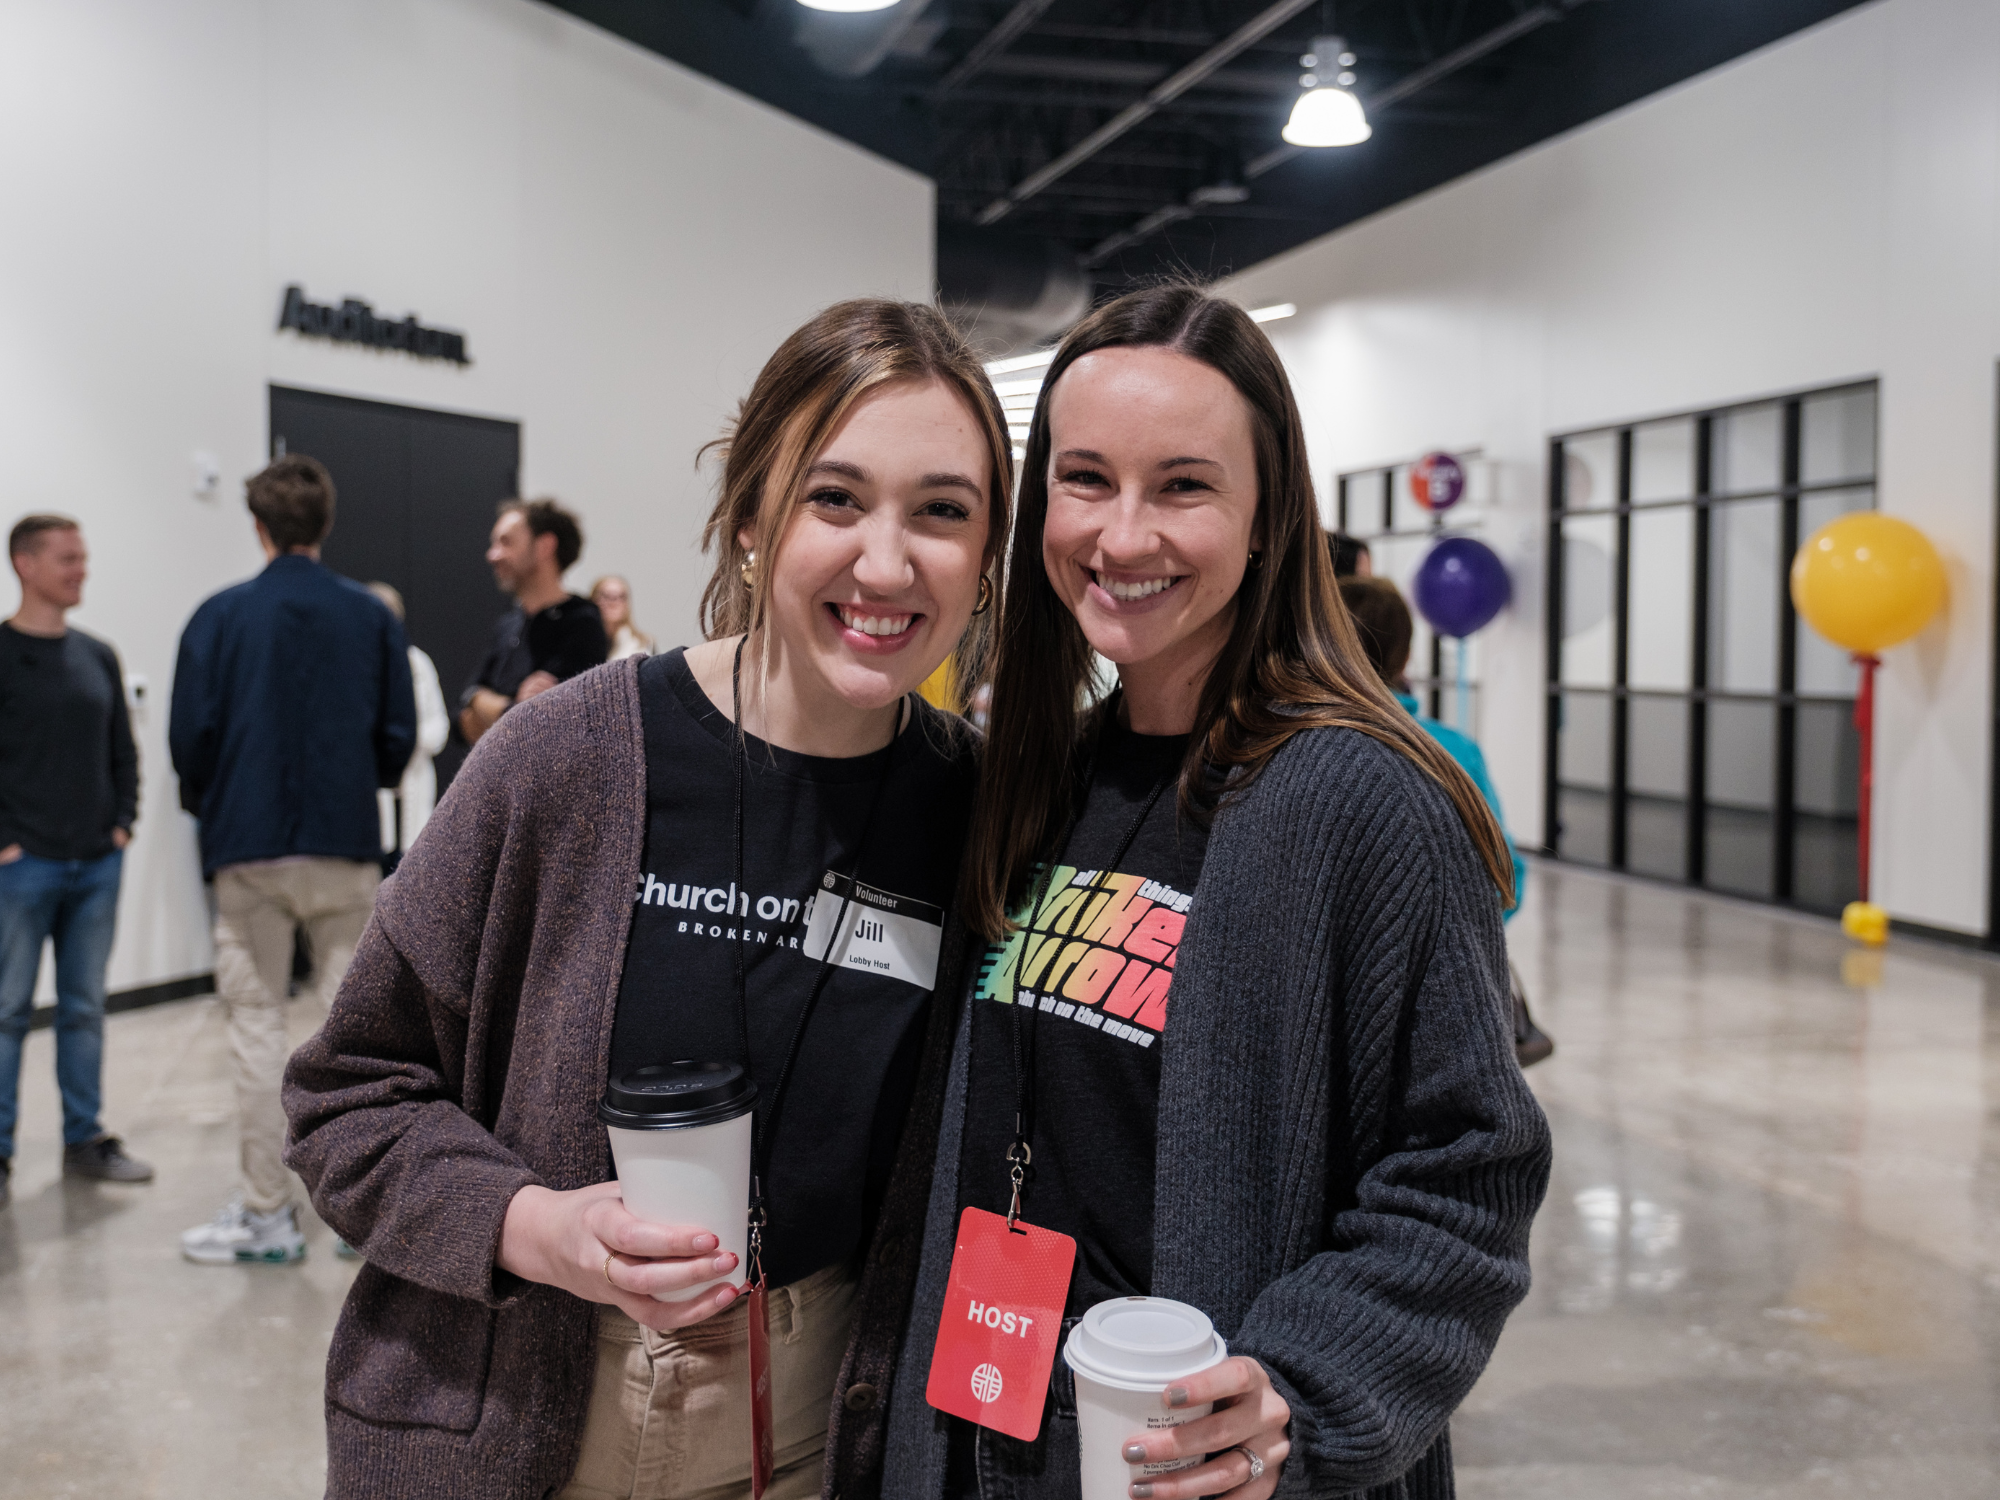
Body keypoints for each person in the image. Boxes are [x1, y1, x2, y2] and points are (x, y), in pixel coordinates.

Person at [283, 298, 1011, 1500]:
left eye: (941, 511)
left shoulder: (980, 809)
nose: (886, 562)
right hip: (523, 1401)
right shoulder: (562, 762)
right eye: (834, 499)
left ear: (985, 557)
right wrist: (535, 1227)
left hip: (826, 1420)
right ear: (748, 521)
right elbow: (343, 1099)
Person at [865, 285, 1551, 1500]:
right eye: (1084, 479)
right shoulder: (1042, 780)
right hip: (1004, 1431)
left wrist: (1304, 1384)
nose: (1122, 537)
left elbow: (1464, 1169)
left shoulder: (1363, 800)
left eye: (1181, 485)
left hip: (1205, 1461)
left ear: (1264, 512)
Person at [169, 455, 416, 1265]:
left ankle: (269, 1215)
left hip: (249, 846)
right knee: (359, 1037)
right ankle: (360, 1216)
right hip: (345, 844)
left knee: (255, 1027)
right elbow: (396, 737)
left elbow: (190, 741)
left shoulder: (217, 616)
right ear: (325, 523)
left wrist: (220, 805)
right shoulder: (371, 617)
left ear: (259, 526)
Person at [1339, 574, 1553, 1066]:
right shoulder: (1452, 750)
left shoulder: (1279, 744)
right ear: (1405, 655)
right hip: (1441, 999)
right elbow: (1505, 876)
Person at [0, 514, 151, 1211]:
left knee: (84, 1008)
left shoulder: (98, 653)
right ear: (25, 564)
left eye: (84, 558)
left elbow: (123, 751)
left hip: (95, 864)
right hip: (21, 868)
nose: (80, 570)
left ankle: (84, 1138)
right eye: (67, 558)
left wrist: (122, 824)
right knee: (6, 1011)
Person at [459, 498, 608, 745]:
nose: (492, 555)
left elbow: (544, 725)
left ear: (545, 546)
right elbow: (461, 718)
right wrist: (493, 703)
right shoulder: (508, 625)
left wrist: (484, 703)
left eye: (505, 542)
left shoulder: (581, 623)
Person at [365, 583, 450, 860]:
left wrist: (404, 742)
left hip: (413, 779)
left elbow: (439, 727)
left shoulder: (417, 663)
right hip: (372, 793)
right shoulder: (356, 665)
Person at [591, 574, 655, 660]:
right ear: (593, 600)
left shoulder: (643, 644)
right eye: (605, 596)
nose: (613, 603)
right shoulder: (582, 640)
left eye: (621, 596)